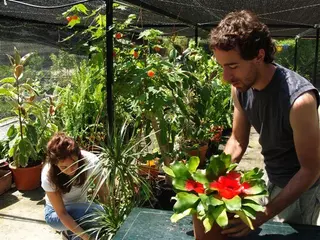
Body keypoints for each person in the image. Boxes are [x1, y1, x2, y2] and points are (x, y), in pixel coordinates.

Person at [209, 10, 320, 237]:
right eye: (222, 66)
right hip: (271, 177)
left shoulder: (298, 101)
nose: (225, 77)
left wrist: (264, 214)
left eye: (233, 65)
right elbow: (238, 141)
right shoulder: (240, 90)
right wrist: (210, 180)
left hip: (300, 190)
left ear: (259, 56)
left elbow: (311, 170)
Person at [41, 132, 107, 240]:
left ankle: (69, 234)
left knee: (98, 218)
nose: (71, 170)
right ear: (55, 164)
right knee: (95, 214)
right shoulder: (48, 175)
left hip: (81, 207)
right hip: (56, 215)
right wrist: (87, 238)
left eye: (74, 164)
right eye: (64, 167)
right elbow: (62, 214)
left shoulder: (90, 161)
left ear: (79, 156)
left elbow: (103, 190)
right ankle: (69, 231)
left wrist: (110, 217)